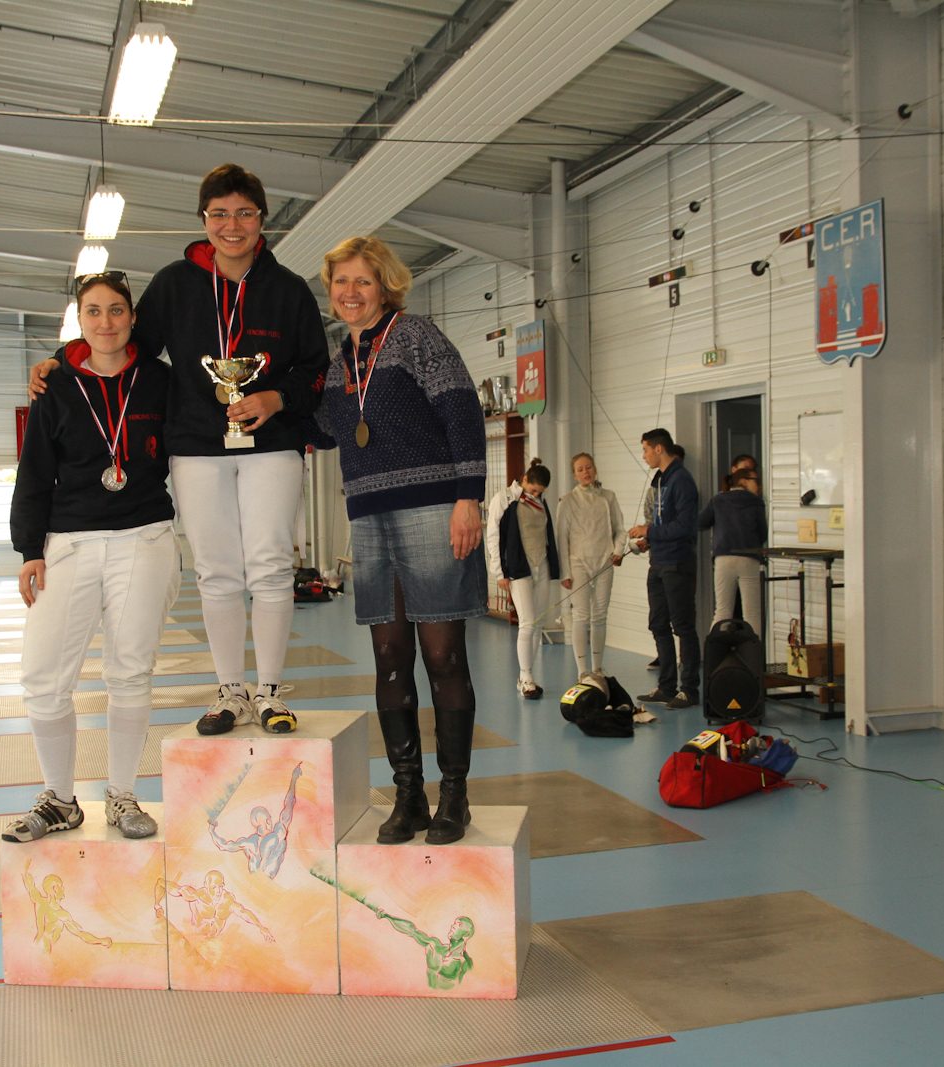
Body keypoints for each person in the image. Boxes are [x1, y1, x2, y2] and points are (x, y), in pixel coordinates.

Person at [29, 163, 329, 738]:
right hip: (194, 446)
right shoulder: (174, 284)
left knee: (270, 565)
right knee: (216, 571)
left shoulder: (289, 289)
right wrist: (64, 358)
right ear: (203, 219)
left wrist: (275, 398)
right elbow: (124, 339)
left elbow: (317, 370)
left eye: (244, 213)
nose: (232, 225)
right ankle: (230, 691)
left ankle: (269, 692)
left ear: (262, 219)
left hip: (272, 445)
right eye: (219, 214)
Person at [309, 236, 486, 845]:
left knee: (444, 657)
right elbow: (326, 432)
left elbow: (463, 412)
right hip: (368, 517)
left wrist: (468, 496)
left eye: (362, 280)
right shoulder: (339, 361)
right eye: (340, 282)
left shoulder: (417, 337)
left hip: (433, 509)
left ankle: (455, 796)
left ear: (385, 284)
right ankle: (408, 796)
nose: (350, 292)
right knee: (389, 658)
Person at [4, 272, 178, 844]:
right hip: (70, 541)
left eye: (117, 310)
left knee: (130, 671)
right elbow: (34, 471)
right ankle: (59, 800)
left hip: (144, 537)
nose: (106, 321)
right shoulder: (54, 386)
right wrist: (30, 549)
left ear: (133, 318)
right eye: (94, 312)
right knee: (42, 677)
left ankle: (122, 794)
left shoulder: (160, 380)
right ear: (79, 322)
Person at [628, 429, 700, 709]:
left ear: (659, 449)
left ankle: (689, 689)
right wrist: (649, 539)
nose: (644, 456)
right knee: (658, 623)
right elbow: (662, 522)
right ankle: (667, 686)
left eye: (646, 450)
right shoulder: (661, 480)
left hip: (677, 563)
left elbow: (685, 526)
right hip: (658, 561)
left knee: (682, 626)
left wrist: (649, 530)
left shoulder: (681, 480)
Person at [487, 459, 560, 699]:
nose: (536, 494)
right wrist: (499, 572)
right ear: (525, 479)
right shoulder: (503, 498)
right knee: (527, 622)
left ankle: (528, 675)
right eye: (533, 490)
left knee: (538, 621)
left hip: (542, 564)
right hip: (518, 567)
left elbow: (546, 534)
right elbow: (493, 536)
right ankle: (525, 677)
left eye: (540, 492)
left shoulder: (540, 501)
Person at [554, 453, 626, 682]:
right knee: (581, 616)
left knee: (600, 616)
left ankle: (597, 668)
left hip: (604, 561)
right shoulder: (567, 501)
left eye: (589, 467)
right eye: (581, 469)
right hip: (579, 563)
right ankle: (582, 671)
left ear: (595, 469)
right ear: (574, 475)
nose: (586, 472)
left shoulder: (609, 497)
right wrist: (565, 573)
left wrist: (618, 551)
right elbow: (561, 539)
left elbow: (620, 529)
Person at [700, 469, 767, 636]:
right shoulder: (756, 502)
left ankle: (714, 649)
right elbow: (763, 534)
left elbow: (700, 522)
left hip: (723, 558)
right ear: (744, 481)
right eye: (756, 480)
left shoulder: (717, 500)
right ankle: (754, 651)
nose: (759, 485)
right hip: (749, 558)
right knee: (752, 614)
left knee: (722, 611)